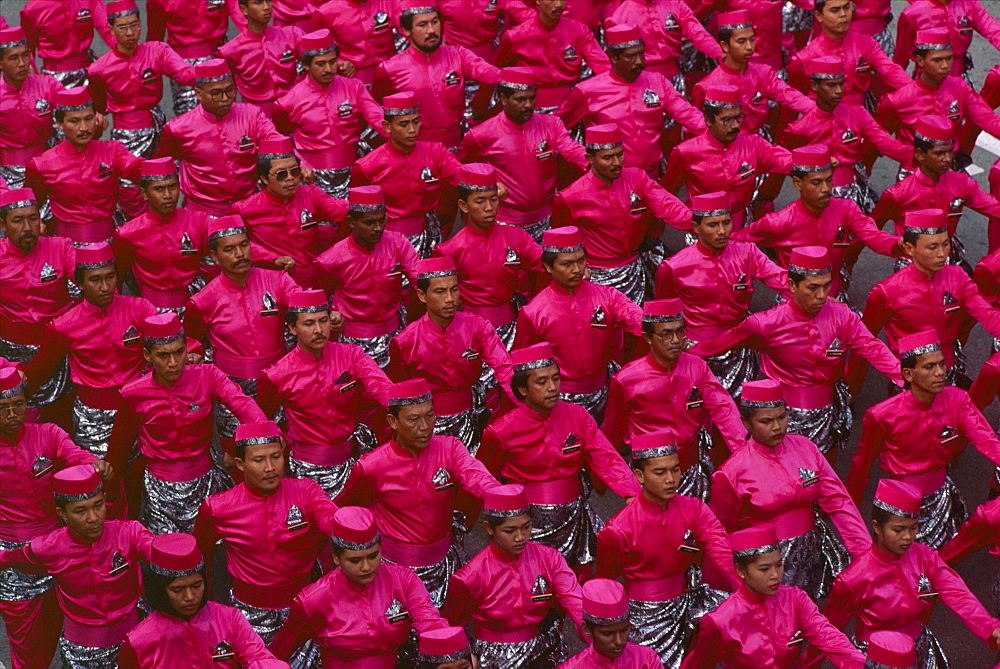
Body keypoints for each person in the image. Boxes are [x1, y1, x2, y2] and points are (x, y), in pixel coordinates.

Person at [691, 247, 904, 461]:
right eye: (813, 288)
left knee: (824, 474)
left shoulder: (843, 317)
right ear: (792, 285)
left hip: (828, 415)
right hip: (781, 420)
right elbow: (716, 346)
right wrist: (680, 358)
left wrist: (906, 379)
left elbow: (873, 348)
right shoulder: (764, 324)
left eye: (826, 286)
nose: (822, 296)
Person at [478, 343, 641, 579]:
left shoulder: (577, 416)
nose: (553, 387)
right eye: (542, 382)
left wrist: (633, 495)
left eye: (555, 379)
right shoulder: (500, 431)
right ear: (523, 389)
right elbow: (485, 479)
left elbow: (606, 458)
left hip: (573, 517)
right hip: (526, 525)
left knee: (579, 579)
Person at [335, 379, 501, 608]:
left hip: (443, 564)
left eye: (430, 416)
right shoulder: (371, 466)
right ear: (393, 421)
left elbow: (474, 474)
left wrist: (501, 496)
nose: (425, 426)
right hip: (395, 570)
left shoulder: (450, 448)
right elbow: (350, 510)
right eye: (414, 419)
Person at [194, 421, 339, 668]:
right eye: (259, 460)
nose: (270, 468)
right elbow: (200, 555)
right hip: (250, 616)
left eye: (276, 457)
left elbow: (331, 521)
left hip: (303, 610)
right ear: (240, 464)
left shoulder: (306, 491)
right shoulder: (218, 508)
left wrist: (349, 527)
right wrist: (205, 606)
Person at [710, 380, 871, 599]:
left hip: (813, 556)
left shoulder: (806, 448)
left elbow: (839, 502)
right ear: (746, 422)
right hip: (766, 567)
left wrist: (866, 556)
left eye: (782, 417)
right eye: (766, 421)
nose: (777, 427)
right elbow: (721, 535)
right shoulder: (731, 473)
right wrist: (736, 585)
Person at [107, 313, 265, 532]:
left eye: (179, 352)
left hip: (206, 482)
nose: (173, 363)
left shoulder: (207, 375)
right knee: (167, 557)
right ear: (148, 355)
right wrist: (111, 493)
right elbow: (119, 448)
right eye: (163, 355)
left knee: (207, 551)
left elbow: (241, 404)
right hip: (159, 492)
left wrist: (268, 432)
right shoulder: (133, 394)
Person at [816, 479, 1000, 668]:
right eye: (898, 530)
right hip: (873, 659)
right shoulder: (852, 579)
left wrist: (989, 626)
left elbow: (956, 592)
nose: (908, 537)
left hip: (919, 650)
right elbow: (828, 632)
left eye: (913, 528)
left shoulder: (925, 556)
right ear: (877, 527)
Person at [847, 331, 1000, 550]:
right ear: (908, 374)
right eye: (929, 367)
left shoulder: (957, 399)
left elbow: (987, 440)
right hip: (900, 508)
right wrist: (850, 516)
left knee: (940, 569)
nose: (940, 373)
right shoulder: (882, 415)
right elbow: (861, 466)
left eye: (942, 364)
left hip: (942, 502)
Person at [596, 433, 737, 668]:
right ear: (639, 476)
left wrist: (750, 594)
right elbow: (605, 582)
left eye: (675, 470)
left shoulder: (694, 509)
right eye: (660, 473)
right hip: (643, 619)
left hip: (688, 606)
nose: (671, 479)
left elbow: (722, 553)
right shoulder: (618, 530)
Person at [0, 367, 106, 669]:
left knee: (54, 633)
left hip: (57, 549)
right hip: (11, 557)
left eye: (18, 405)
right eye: (3, 409)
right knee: (25, 642)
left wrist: (94, 465)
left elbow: (76, 455)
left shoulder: (47, 433)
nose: (13, 414)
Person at [0, 464, 154, 667]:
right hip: (80, 653)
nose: (93, 518)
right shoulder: (48, 548)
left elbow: (163, 553)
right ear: (62, 514)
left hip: (134, 644)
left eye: (98, 505)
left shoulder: (129, 534)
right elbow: (9, 559)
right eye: (81, 511)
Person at [269, 506, 449, 666]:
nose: (366, 567)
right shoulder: (313, 599)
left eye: (373, 556)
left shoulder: (403, 580)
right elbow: (280, 650)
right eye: (355, 560)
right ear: (336, 557)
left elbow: (430, 622)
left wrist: (451, 652)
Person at [603, 299, 746, 499]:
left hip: (693, 471)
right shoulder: (626, 380)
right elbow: (612, 434)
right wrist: (622, 487)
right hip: (650, 479)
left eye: (680, 332)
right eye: (666, 334)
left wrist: (747, 455)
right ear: (648, 338)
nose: (676, 340)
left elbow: (724, 410)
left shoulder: (697, 367)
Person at [25, 243, 156, 457]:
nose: (105, 287)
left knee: (138, 474)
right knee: (97, 477)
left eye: (110, 277)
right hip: (93, 419)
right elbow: (40, 368)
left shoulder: (140, 309)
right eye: (95, 280)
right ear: (80, 283)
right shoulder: (64, 325)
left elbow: (168, 342)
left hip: (139, 409)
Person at [183, 216, 300, 457]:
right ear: (214, 257)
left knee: (280, 449)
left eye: (244, 245)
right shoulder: (203, 300)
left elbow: (300, 305)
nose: (240, 254)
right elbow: (190, 340)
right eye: (229, 249)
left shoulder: (278, 280)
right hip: (232, 388)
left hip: (277, 382)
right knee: (239, 456)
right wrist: (194, 355)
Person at [653, 192, 788, 398]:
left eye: (726, 223)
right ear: (697, 228)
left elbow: (781, 279)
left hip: (740, 347)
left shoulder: (748, 253)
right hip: (696, 351)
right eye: (713, 225)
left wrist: (812, 291)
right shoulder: (673, 267)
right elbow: (664, 319)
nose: (722, 231)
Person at [257, 289, 390, 498]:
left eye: (323, 321)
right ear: (292, 328)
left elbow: (382, 388)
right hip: (307, 470)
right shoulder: (277, 375)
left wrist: (404, 406)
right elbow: (263, 418)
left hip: (353, 462)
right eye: (309, 324)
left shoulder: (351, 355)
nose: (319, 330)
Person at [732, 144, 903, 303]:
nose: (825, 189)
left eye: (828, 180)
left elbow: (872, 235)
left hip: (834, 295)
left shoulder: (846, 208)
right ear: (798, 183)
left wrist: (900, 243)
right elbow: (736, 244)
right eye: (816, 182)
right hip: (795, 303)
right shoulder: (778, 222)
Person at [681, 525, 866, 669]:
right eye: (764, 569)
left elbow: (829, 638)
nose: (775, 575)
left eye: (778, 565)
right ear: (741, 571)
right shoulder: (720, 621)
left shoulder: (795, 599)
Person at [442, 484, 584, 668]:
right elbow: (452, 626)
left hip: (546, 650)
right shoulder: (469, 577)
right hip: (493, 657)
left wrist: (595, 628)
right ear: (489, 528)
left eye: (526, 527)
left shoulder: (550, 558)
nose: (520, 537)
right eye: (510, 531)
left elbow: (576, 602)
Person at [550, 123, 691, 305]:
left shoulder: (636, 178)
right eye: (608, 158)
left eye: (619, 154)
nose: (617, 163)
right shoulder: (570, 197)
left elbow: (667, 205)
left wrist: (700, 221)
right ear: (590, 158)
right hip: (596, 277)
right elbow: (562, 244)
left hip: (636, 270)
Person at [861, 209, 1000, 390]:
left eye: (945, 244)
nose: (943, 254)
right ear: (909, 248)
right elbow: (866, 342)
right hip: (910, 382)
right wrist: (897, 372)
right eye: (932, 247)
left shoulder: (958, 277)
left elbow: (986, 314)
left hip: (949, 374)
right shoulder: (886, 292)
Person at [513, 227, 643, 422]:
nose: (577, 270)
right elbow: (523, 367)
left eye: (580, 261)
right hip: (560, 401)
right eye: (567, 264)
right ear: (548, 267)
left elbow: (637, 318)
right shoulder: (534, 313)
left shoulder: (607, 296)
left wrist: (659, 326)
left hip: (604, 392)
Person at [390, 257, 514, 453]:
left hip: (474, 419)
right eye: (440, 291)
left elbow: (505, 369)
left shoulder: (478, 327)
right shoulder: (405, 342)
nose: (450, 299)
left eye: (454, 289)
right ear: (422, 295)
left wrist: (528, 409)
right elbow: (399, 392)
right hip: (427, 429)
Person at [118, 532, 290, 668]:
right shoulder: (138, 641)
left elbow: (257, 657)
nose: (190, 597)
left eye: (196, 585)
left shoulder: (229, 619)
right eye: (177, 590)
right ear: (160, 591)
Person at [89, 0, 195, 218]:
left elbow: (187, 74)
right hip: (126, 138)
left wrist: (216, 70)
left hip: (159, 129)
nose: (130, 33)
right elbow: (97, 109)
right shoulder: (98, 69)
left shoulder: (157, 51)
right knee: (130, 191)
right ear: (110, 29)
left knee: (167, 183)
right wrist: (98, 120)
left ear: (141, 24)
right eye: (123, 27)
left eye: (134, 25)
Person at [457, 67, 587, 242]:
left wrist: (596, 163)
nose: (528, 105)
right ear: (504, 99)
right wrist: (489, 184)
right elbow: (458, 168)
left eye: (532, 98)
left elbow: (572, 150)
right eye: (520, 99)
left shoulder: (551, 125)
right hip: (505, 222)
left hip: (546, 219)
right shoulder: (481, 135)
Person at [557, 25, 706, 178]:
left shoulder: (657, 82)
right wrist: (584, 160)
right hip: (613, 179)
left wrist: (719, 133)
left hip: (653, 175)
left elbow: (689, 114)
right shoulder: (587, 91)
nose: (639, 61)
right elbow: (555, 129)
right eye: (631, 56)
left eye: (641, 54)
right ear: (614, 57)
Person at [779, 57, 913, 214]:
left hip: (856, 193)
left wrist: (920, 155)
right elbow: (780, 160)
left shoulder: (857, 114)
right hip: (818, 200)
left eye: (841, 84)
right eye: (831, 85)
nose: (838, 91)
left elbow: (886, 143)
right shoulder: (799, 128)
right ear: (814, 86)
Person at [434, 162, 544, 350]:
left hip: (511, 327)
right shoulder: (449, 250)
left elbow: (548, 263)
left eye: (493, 199)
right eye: (480, 201)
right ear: (464, 205)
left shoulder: (516, 237)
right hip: (467, 333)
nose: (489, 208)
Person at [871, 116, 1000, 273]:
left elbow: (994, 208)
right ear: (920, 154)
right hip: (912, 269)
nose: (947, 159)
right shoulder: (898, 194)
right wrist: (899, 246)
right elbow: (870, 232)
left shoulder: (962, 183)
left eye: (949, 152)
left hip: (948, 262)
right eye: (939, 153)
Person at [156, 58, 284, 215]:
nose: (224, 99)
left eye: (230, 91)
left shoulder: (252, 115)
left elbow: (277, 142)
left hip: (250, 204)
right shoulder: (178, 128)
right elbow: (159, 166)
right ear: (199, 94)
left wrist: (299, 162)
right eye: (216, 93)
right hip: (205, 211)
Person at [661, 85, 792, 231]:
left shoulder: (753, 145)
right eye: (727, 120)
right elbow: (665, 195)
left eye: (738, 118)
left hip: (741, 225)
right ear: (708, 120)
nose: (735, 125)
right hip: (704, 229)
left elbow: (786, 161)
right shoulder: (685, 152)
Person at [372, 1, 501, 149]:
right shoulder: (389, 69)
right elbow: (375, 108)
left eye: (435, 22)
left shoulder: (458, 55)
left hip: (457, 144)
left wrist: (518, 78)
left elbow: (488, 72)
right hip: (417, 150)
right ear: (407, 30)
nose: (431, 30)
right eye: (422, 25)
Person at [316, 185, 419, 369]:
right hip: (354, 341)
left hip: (396, 333)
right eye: (370, 223)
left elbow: (420, 280)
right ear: (352, 222)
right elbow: (318, 301)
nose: (378, 228)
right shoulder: (331, 260)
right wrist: (331, 315)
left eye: (382, 220)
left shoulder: (397, 243)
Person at [273, 28, 385, 199]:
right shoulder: (288, 102)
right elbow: (279, 140)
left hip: (354, 172)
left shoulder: (354, 87)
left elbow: (379, 119)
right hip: (313, 178)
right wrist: (300, 165)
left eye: (332, 62)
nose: (328, 69)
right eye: (320, 64)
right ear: (306, 65)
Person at [25, 87, 143, 245]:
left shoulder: (112, 150)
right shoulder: (41, 165)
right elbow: (30, 205)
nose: (84, 128)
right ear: (60, 124)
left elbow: (137, 170)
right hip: (67, 247)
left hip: (111, 244)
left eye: (88, 119)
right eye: (74, 121)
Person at [352, 92, 463, 258]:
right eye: (404, 124)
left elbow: (462, 176)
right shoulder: (368, 166)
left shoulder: (436, 152)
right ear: (388, 126)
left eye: (416, 122)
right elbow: (357, 213)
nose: (412, 130)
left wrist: (487, 184)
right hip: (389, 242)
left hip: (431, 235)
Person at [230, 137, 349, 288]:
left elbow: (342, 211)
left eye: (295, 171)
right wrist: (272, 259)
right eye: (281, 175)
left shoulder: (310, 194)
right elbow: (233, 243)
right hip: (271, 283)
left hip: (312, 281)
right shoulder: (244, 208)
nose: (290, 179)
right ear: (264, 179)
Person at [0, 188, 75, 422]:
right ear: (3, 225)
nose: (27, 227)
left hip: (57, 352)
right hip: (11, 355)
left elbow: (88, 290)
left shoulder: (61, 247)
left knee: (60, 419)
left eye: (33, 218)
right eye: (18, 220)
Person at [877, 30, 1000, 164]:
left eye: (949, 58)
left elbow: (987, 119)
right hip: (915, 172)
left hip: (950, 168)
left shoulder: (960, 87)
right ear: (920, 61)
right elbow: (879, 138)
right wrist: (910, 156)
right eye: (937, 60)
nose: (945, 66)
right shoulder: (897, 100)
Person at [112, 156, 212, 314]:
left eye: (172, 187)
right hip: (151, 311)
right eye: (159, 189)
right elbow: (117, 275)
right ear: (144, 193)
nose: (168, 195)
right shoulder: (128, 234)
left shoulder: (199, 221)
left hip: (197, 305)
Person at [690, 10, 812, 138]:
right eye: (741, 41)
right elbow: (698, 130)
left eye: (752, 40)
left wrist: (819, 110)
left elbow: (790, 95)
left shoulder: (763, 73)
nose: (749, 47)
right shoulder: (707, 87)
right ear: (725, 46)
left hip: (758, 142)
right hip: (725, 147)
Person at [786, 0, 910, 109]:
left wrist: (918, 91)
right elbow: (795, 98)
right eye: (835, 11)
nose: (843, 15)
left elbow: (891, 71)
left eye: (846, 8)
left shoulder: (866, 44)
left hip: (861, 117)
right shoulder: (805, 58)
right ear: (819, 16)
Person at [491, 0, 610, 112]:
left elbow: (604, 68)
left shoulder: (580, 31)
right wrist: (481, 105)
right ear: (537, 1)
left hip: (569, 107)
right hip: (528, 109)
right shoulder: (515, 36)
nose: (558, 4)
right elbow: (494, 73)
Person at [0, 25, 63, 191]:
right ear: (1, 63)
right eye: (14, 58)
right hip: (8, 174)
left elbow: (73, 108)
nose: (22, 64)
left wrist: (96, 114)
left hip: (49, 168)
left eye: (25, 55)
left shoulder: (47, 85)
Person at [146, 0, 234, 116]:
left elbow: (242, 14)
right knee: (192, 120)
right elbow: (154, 42)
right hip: (184, 66)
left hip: (221, 58)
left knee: (227, 114)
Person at [604, 0, 721, 88]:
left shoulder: (675, 4)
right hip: (639, 82)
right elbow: (617, 60)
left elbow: (698, 34)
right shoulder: (619, 16)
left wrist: (721, 55)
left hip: (673, 77)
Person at [218, 0, 305, 117]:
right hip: (255, 117)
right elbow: (227, 92)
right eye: (258, 3)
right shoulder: (230, 51)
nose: (266, 7)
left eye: (268, 1)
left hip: (294, 112)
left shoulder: (292, 35)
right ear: (244, 9)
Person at [558, 579, 666, 669]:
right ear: (587, 629)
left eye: (624, 630)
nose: (619, 641)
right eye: (608, 634)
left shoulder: (646, 659)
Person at [895, 0, 1000, 81]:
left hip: (959, 78)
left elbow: (993, 29)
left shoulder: (968, 4)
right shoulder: (912, 14)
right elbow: (901, 57)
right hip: (926, 82)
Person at [20, 0, 104, 89]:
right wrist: (35, 82)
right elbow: (27, 51)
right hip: (53, 79)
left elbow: (110, 32)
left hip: (89, 73)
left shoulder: (89, 2)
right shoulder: (33, 8)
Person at [315, 0, 400, 87]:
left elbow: (410, 34)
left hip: (392, 73)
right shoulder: (325, 12)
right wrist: (337, 64)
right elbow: (318, 54)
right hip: (352, 77)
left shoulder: (389, 2)